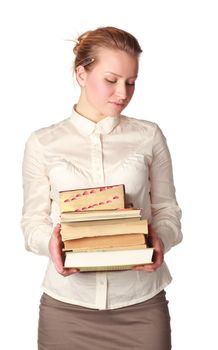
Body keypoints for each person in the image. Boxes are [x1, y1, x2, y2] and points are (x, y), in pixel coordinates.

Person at [21, 26, 182, 350]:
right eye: (111, 80)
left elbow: (168, 210)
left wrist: (160, 240)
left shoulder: (148, 136)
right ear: (81, 73)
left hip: (142, 306)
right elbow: (32, 223)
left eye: (131, 82)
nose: (122, 92)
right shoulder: (43, 143)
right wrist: (49, 245)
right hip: (66, 310)